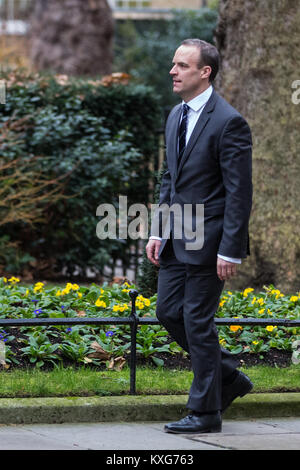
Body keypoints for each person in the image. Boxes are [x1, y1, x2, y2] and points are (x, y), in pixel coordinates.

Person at [146, 38, 253, 434]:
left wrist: (231, 250)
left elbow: (239, 193)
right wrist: (158, 230)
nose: (173, 71)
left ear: (204, 72)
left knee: (196, 320)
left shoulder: (229, 122)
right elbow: (169, 178)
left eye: (182, 65)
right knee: (168, 312)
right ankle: (229, 378)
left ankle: (206, 412)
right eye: (173, 64)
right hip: (176, 237)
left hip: (210, 243)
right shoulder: (176, 115)